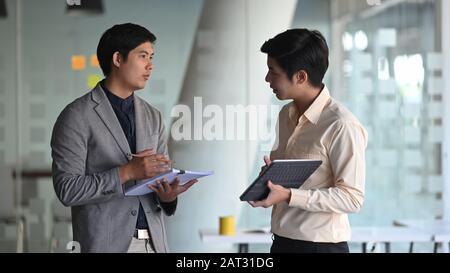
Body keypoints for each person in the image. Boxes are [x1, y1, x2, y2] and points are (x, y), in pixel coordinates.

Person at [51, 23, 197, 253]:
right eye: (142, 56)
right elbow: (68, 190)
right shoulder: (76, 116)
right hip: (105, 244)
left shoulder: (152, 116)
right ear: (118, 59)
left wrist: (167, 196)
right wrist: (126, 172)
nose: (150, 65)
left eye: (151, 57)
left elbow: (159, 180)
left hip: (154, 243)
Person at [249, 29, 368, 253]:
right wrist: (271, 179)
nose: (267, 79)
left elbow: (352, 198)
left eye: (273, 72)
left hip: (321, 248)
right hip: (282, 243)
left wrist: (289, 195)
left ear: (301, 77)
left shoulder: (341, 124)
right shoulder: (285, 115)